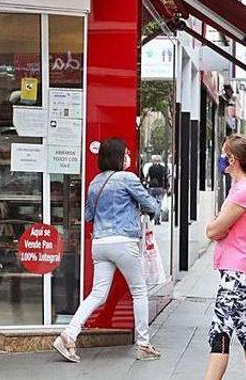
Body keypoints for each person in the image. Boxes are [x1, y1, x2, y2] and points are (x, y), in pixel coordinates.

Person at [53, 138, 163, 363]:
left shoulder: (95, 182)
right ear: (119, 156)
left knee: (97, 294)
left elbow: (88, 216)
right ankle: (143, 344)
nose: (129, 158)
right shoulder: (127, 178)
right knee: (139, 292)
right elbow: (152, 205)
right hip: (123, 242)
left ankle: (69, 334)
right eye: (126, 154)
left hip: (100, 244)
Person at [202, 134, 246, 380]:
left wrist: (216, 226)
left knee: (220, 330)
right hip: (241, 269)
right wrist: (218, 226)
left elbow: (214, 230)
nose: (221, 158)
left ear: (234, 159)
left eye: (224, 154)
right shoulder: (242, 189)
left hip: (238, 273)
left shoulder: (244, 191)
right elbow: (219, 228)